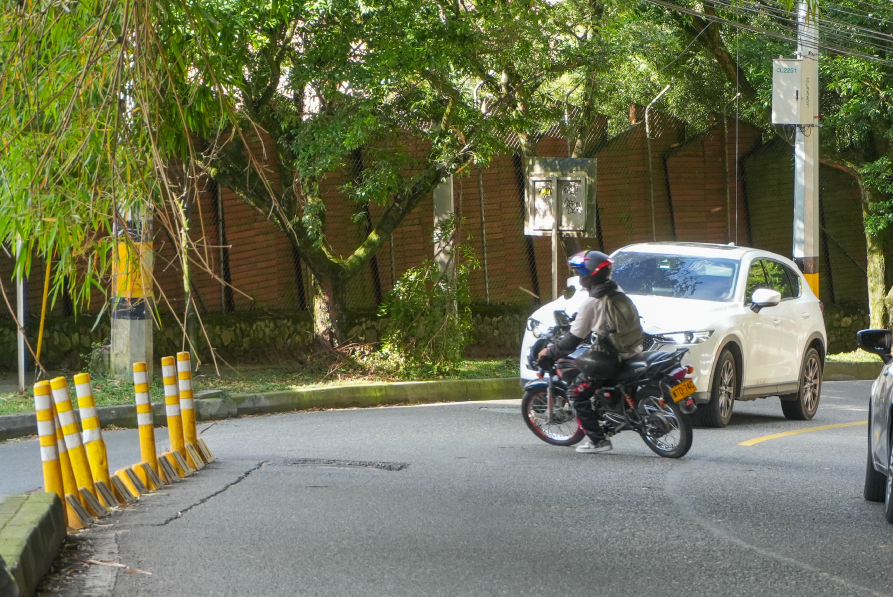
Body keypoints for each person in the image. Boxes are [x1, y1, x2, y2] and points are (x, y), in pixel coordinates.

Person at [538, 250, 644, 454]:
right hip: (634, 349)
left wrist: (550, 353)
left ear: (588, 276)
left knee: (575, 393)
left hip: (613, 357)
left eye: (580, 273)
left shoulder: (592, 303)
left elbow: (571, 341)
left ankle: (598, 441)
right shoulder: (617, 292)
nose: (579, 277)